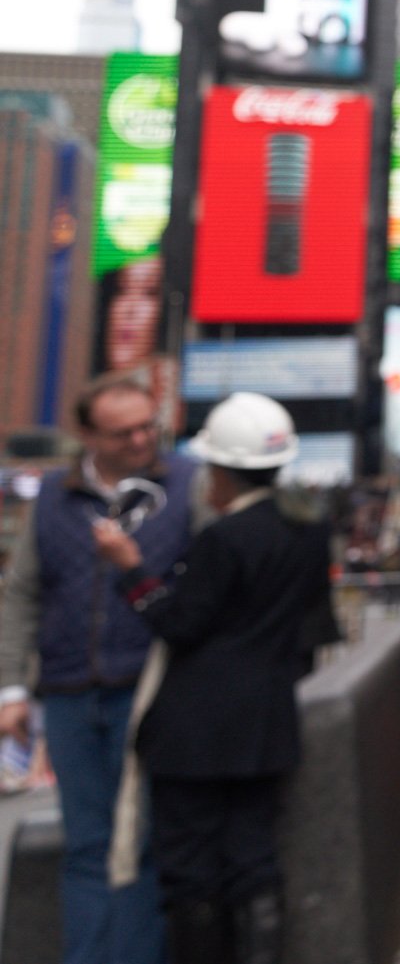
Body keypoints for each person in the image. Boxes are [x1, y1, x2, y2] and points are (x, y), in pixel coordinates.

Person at [94, 393, 333, 964]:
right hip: (266, 727)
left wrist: (130, 570)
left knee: (190, 872)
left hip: (194, 736)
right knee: (253, 861)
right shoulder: (305, 534)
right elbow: (313, 631)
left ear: (221, 471)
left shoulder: (224, 539)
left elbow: (178, 623)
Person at [0, 363, 206, 964]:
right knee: (87, 845)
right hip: (68, 692)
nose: (141, 441)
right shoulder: (56, 498)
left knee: (139, 843)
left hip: (150, 689)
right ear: (89, 437)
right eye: (124, 434)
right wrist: (11, 688)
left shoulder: (188, 484)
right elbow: (24, 592)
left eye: (148, 427)